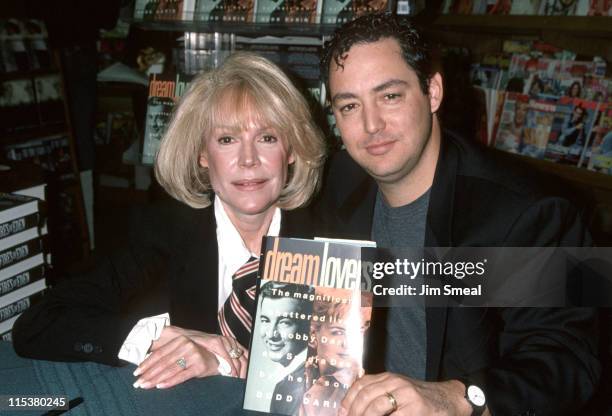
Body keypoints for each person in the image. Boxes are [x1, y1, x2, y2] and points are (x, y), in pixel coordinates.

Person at [316, 13, 600, 415]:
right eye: (349, 106)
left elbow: (572, 359)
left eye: (390, 96)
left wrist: (459, 397)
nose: (371, 124)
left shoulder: (537, 210)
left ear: (432, 91)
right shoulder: (336, 183)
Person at [12, 52, 327, 390]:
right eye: (227, 139)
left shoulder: (332, 238)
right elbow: (37, 325)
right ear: (202, 154)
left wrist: (223, 362)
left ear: (292, 149)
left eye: (267, 137)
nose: (248, 160)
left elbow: (334, 373)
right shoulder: (160, 231)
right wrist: (158, 339)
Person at [301, 288, 372, 416]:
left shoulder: (362, 386)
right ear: (312, 335)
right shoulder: (294, 380)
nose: (347, 343)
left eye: (359, 332)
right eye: (338, 332)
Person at [245, 281, 314, 413]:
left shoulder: (296, 385)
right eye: (265, 320)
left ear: (307, 325)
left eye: (284, 322)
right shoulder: (284, 380)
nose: (271, 334)